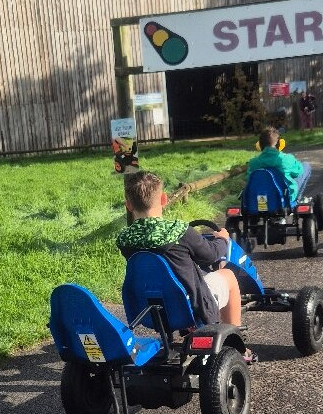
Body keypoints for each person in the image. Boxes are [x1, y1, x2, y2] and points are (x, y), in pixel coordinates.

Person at [117, 170, 245, 331]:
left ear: (128, 205)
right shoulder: (179, 231)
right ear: (164, 199)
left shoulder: (125, 239)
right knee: (228, 276)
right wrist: (222, 239)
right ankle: (238, 341)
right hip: (190, 304)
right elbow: (211, 256)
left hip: (150, 307)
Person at [247, 127, 312, 201]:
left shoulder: (253, 163)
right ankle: (297, 200)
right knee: (306, 166)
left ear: (260, 145)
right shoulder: (287, 159)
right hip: (285, 198)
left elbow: (249, 179)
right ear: (279, 144)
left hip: (260, 199)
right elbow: (298, 172)